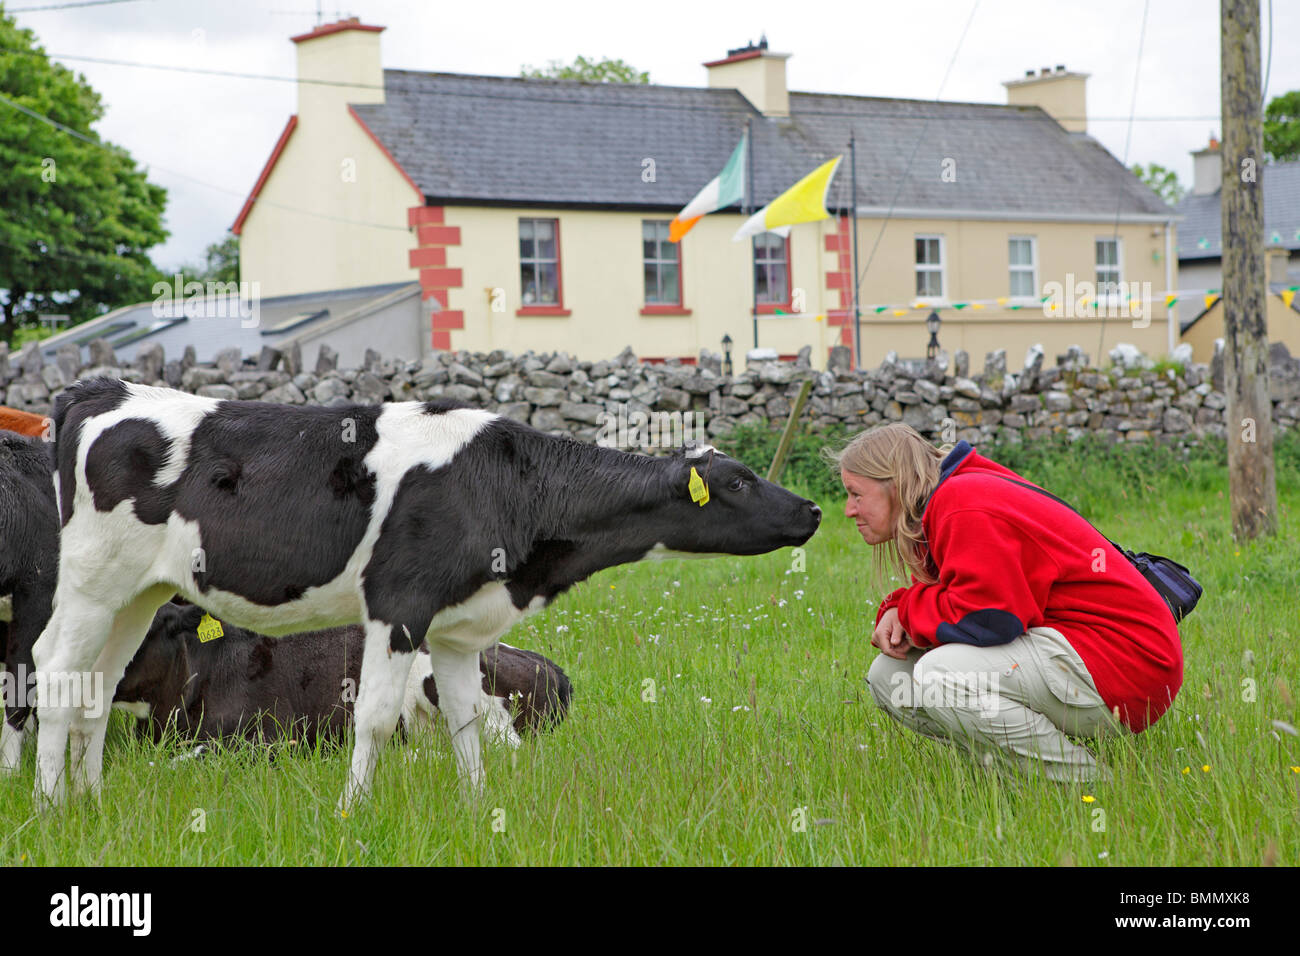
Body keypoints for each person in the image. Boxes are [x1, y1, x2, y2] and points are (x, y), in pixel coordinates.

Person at [830, 423, 1183, 782]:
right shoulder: (947, 496)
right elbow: (969, 596)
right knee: (889, 676)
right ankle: (1013, 771)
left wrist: (906, 610)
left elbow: (988, 619)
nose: (848, 510)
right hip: (1084, 652)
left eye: (856, 494)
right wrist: (900, 606)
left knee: (940, 675)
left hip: (1126, 665)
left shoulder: (962, 503)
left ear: (894, 483)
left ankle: (1088, 782)